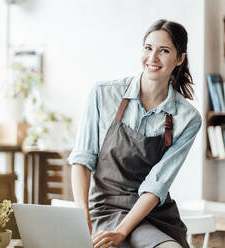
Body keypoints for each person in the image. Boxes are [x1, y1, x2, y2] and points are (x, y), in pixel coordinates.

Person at [68, 19, 202, 248]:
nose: (153, 58)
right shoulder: (102, 94)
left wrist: (122, 232)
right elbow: (81, 161)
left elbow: (157, 184)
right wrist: (83, 218)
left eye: (164, 51)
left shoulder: (188, 118)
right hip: (104, 209)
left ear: (180, 59)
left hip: (153, 214)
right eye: (148, 48)